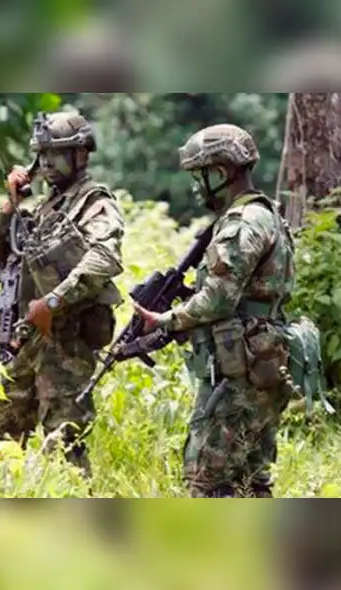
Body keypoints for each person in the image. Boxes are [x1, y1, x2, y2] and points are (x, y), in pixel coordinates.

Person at [131, 123, 297, 498]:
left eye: (199, 175)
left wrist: (167, 321)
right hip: (259, 364)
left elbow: (219, 299)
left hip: (240, 375)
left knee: (206, 482)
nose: (195, 186)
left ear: (221, 173)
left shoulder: (242, 223)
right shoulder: (266, 214)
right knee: (251, 482)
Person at [0, 111, 125, 476]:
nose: (45, 163)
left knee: (64, 450)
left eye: (55, 153)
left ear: (81, 154)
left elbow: (105, 257)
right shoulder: (42, 208)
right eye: (40, 155)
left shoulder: (94, 203)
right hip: (23, 343)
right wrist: (10, 204)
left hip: (65, 346)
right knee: (2, 445)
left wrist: (53, 301)